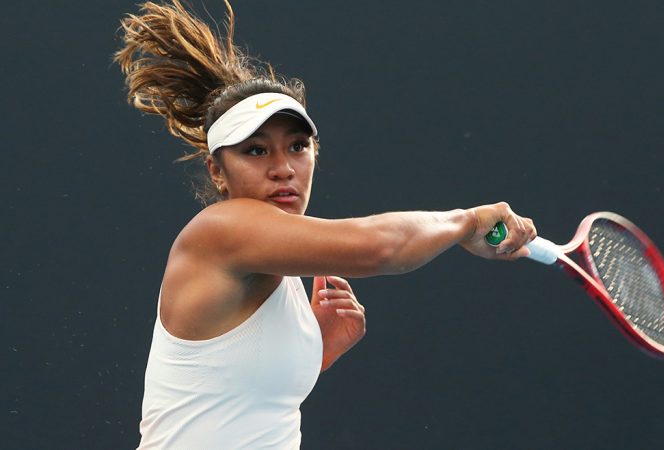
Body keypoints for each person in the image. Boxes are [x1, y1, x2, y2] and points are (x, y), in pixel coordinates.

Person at [115, 1, 537, 448]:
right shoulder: (222, 229)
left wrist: (315, 349)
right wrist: (468, 221)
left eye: (297, 146)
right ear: (216, 170)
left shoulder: (281, 263)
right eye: (256, 151)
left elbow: (232, 401)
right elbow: (383, 248)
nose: (283, 168)